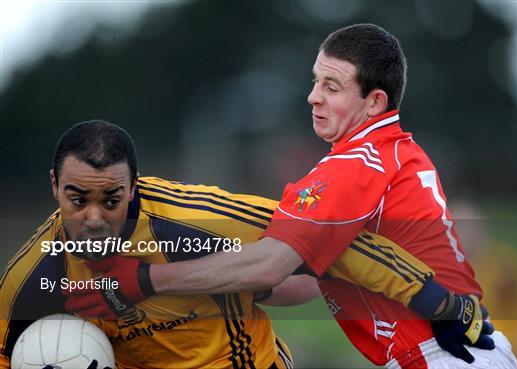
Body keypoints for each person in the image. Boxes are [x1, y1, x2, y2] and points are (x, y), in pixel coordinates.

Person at [66, 25, 517, 368]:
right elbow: (301, 281)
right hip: (459, 352)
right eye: (316, 81)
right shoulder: (394, 150)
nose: (312, 97)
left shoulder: (355, 164)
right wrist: (210, 289)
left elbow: (272, 262)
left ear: (375, 102)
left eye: (332, 87)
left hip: (443, 355)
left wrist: (144, 280)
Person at [2, 120, 455, 369]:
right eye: (77, 199)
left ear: (135, 188)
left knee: (287, 282)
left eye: (112, 199)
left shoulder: (192, 220)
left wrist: (431, 296)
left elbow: (325, 235)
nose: (94, 218)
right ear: (54, 186)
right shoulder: (29, 280)